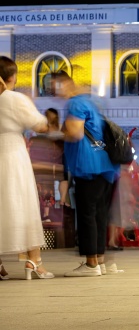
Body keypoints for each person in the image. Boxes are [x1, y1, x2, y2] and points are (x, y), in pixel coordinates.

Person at [52, 71, 119, 277]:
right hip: (106, 165)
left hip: (87, 165)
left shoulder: (75, 104)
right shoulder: (93, 102)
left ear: (64, 84)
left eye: (54, 86)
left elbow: (75, 133)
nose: (54, 92)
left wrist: (53, 133)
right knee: (99, 213)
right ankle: (99, 260)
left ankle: (91, 264)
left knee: (86, 214)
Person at [0, 57, 53, 280]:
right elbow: (40, 125)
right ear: (13, 76)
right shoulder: (14, 98)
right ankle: (34, 262)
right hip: (12, 152)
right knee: (23, 202)